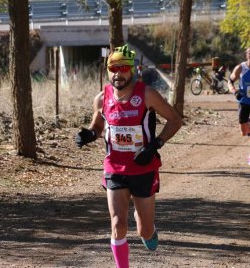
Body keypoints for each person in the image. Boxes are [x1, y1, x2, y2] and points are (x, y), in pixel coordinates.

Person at [74, 44, 182, 268]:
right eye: (113, 68)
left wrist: (155, 145)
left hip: (143, 168)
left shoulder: (147, 94)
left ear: (132, 70)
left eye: (123, 68)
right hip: (114, 168)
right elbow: (98, 125)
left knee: (145, 228)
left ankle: (147, 229)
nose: (118, 73)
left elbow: (175, 120)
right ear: (108, 70)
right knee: (117, 224)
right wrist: (89, 134)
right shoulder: (101, 98)